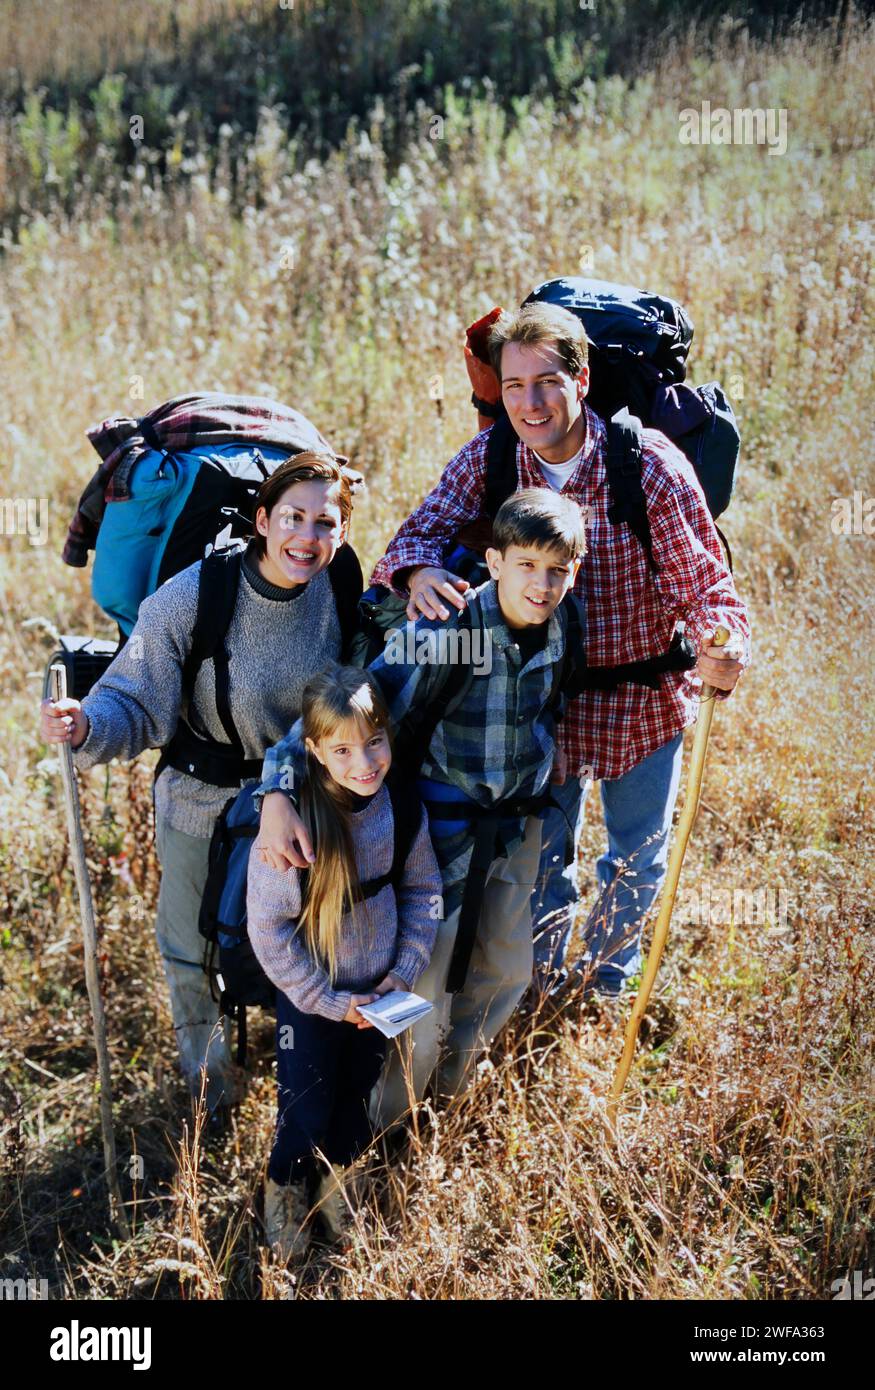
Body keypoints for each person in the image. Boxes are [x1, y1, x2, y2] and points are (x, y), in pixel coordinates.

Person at [368, 301, 751, 998]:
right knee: (543, 855)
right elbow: (411, 537)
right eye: (513, 386)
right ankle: (539, 985)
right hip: (536, 698)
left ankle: (607, 984)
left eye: (545, 381)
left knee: (635, 857)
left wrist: (720, 646)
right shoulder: (490, 458)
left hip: (643, 696)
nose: (530, 402)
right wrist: (419, 572)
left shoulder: (647, 466)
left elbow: (706, 588)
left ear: (580, 379)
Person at [39, 453, 361, 1117]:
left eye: (324, 522)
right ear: (263, 519)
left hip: (302, 800)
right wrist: (85, 723)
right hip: (199, 796)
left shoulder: (344, 587)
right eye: (292, 518)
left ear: (343, 531)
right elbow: (134, 696)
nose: (306, 536)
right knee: (192, 949)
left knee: (302, 942)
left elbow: (361, 696)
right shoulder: (198, 594)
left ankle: (297, 1078)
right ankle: (209, 1090)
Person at [256, 489, 587, 1124]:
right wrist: (277, 786)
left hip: (516, 825)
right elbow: (352, 707)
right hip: (439, 836)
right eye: (526, 566)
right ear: (493, 563)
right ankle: (387, 1121)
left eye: (557, 570)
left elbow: (548, 707)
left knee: (505, 969)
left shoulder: (565, 622)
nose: (541, 585)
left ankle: (450, 1099)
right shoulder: (445, 632)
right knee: (424, 990)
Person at [247, 666, 441, 1260]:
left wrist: (403, 971)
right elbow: (270, 932)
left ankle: (340, 1186)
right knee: (306, 1104)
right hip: (313, 997)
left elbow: (423, 891)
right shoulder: (292, 823)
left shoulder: (401, 805)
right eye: (342, 749)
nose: (364, 762)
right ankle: (285, 1191)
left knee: (357, 1096)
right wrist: (329, 1002)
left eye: (374, 741)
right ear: (313, 751)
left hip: (379, 994)